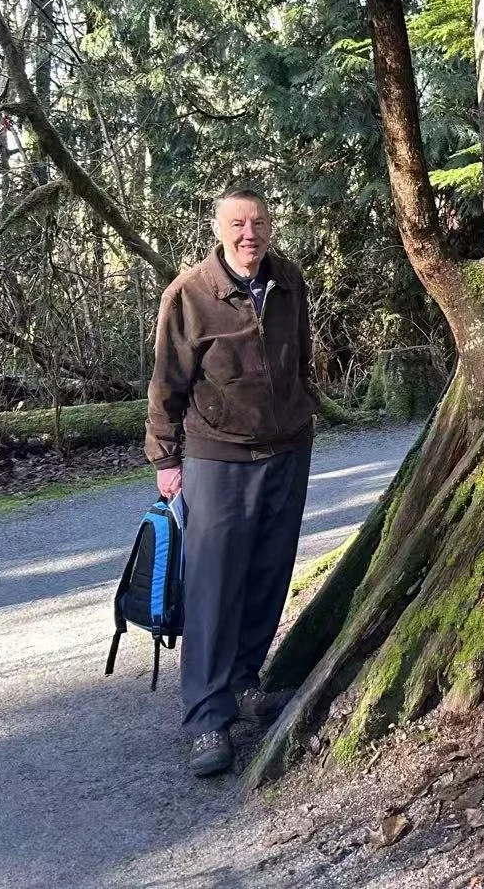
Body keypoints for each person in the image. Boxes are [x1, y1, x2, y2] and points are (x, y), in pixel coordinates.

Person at [144, 187, 318, 777]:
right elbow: (166, 384)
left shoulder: (289, 281)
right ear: (219, 229)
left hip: (286, 451)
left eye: (259, 223)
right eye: (238, 224)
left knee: (268, 574)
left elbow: (300, 358)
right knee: (213, 588)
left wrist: (304, 407)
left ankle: (245, 683)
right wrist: (167, 461)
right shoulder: (189, 294)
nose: (250, 234)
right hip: (216, 458)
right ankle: (206, 719)